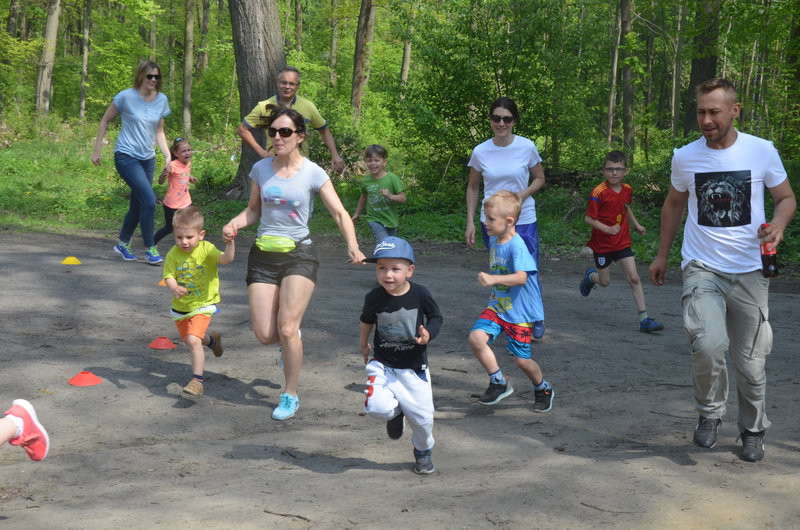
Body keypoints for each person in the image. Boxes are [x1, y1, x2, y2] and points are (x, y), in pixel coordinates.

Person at [648, 78, 796, 462]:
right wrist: (663, 254)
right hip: (702, 267)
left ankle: (752, 429)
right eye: (701, 112)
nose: (706, 119)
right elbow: (674, 204)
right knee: (708, 344)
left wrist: (778, 226)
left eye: (714, 111)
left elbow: (785, 199)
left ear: (735, 110)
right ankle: (710, 413)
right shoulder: (686, 156)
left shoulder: (761, 151)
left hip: (751, 270)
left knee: (750, 362)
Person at [223, 105, 365, 421]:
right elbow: (254, 210)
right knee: (264, 334)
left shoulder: (313, 172)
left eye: (285, 131)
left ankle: (289, 393)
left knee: (287, 326)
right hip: (263, 254)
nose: (277, 137)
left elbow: (340, 213)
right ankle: (291, 341)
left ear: (300, 136)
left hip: (299, 254)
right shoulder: (261, 169)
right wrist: (235, 224)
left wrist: (353, 246)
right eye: (272, 131)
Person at [359, 237, 443, 475]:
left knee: (423, 419)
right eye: (381, 268)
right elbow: (366, 320)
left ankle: (423, 450)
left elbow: (436, 317)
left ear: (410, 270)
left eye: (395, 268)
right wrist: (363, 344)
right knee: (377, 407)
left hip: (414, 366)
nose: (388, 274)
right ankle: (395, 412)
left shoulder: (420, 294)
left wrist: (429, 335)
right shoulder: (374, 297)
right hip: (382, 364)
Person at [465, 97, 546, 339]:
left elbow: (540, 179)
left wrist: (521, 195)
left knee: (527, 271)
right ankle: (505, 318)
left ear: (514, 121)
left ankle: (535, 318)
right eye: (496, 118)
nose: (501, 123)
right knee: (501, 270)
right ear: (490, 120)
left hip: (524, 219)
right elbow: (472, 187)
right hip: (491, 222)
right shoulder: (480, 151)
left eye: (507, 119)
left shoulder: (526, 146)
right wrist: (470, 221)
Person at [468, 191, 553, 412]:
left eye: (490, 219)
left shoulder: (518, 245)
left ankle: (542, 388)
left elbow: (522, 277)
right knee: (476, 339)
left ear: (509, 221)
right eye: (485, 218)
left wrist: (494, 279)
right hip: (497, 307)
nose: (486, 223)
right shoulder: (496, 240)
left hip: (520, 314)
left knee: (522, 361)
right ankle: (498, 381)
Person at [92, 60, 172, 265]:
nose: (153, 80)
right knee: (148, 200)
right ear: (141, 76)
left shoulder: (162, 100)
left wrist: (167, 155)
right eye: (150, 76)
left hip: (148, 158)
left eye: (157, 77)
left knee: (137, 204)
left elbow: (159, 131)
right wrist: (97, 150)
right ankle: (150, 247)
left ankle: (123, 243)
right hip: (126, 155)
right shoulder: (125, 96)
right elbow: (105, 120)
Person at [579, 150, 664, 333]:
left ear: (626, 171)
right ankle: (590, 277)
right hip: (602, 244)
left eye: (618, 169)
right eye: (610, 169)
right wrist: (607, 229)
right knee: (605, 282)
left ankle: (644, 319)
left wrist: (637, 225)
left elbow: (625, 207)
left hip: (622, 240)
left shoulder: (627, 189)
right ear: (604, 171)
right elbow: (589, 219)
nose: (614, 173)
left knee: (634, 277)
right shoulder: (598, 192)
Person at [162, 206, 235, 396]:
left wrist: (229, 244)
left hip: (203, 304)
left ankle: (197, 381)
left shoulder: (207, 249)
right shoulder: (172, 254)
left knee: (193, 340)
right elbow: (169, 275)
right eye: (179, 238)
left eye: (189, 237)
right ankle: (212, 342)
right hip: (181, 308)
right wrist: (173, 287)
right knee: (191, 339)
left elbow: (226, 259)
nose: (184, 242)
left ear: (201, 234)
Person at [237, 66, 345, 173]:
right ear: (277, 83)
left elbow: (324, 131)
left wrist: (335, 155)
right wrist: (262, 152)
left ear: (298, 86)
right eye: (283, 82)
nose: (287, 87)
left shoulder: (308, 106)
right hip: (273, 165)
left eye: (292, 84)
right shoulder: (264, 106)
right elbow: (242, 130)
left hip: (301, 166)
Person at [351, 144, 407, 242]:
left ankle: (382, 257)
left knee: (389, 245)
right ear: (366, 162)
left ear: (384, 162)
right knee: (384, 242)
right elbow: (363, 197)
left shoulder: (392, 178)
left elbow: (403, 198)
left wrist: (390, 196)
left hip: (390, 219)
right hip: (373, 219)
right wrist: (357, 214)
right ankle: (381, 256)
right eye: (369, 160)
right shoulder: (366, 181)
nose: (372, 163)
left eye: (376, 160)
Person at [154, 137, 196, 245]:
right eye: (183, 151)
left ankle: (186, 246)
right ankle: (151, 243)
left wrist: (190, 177)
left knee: (188, 226)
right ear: (176, 154)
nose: (187, 153)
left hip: (186, 202)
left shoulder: (187, 163)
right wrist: (164, 173)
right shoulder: (172, 165)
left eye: (188, 150)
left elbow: (183, 173)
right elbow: (160, 182)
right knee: (169, 228)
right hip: (172, 204)